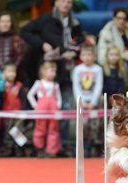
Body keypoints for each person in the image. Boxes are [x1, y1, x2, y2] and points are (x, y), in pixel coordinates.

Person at [20, 0, 85, 155]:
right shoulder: (45, 19)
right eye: (63, 1)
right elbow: (24, 31)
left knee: (65, 110)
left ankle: (58, 147)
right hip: (49, 70)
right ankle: (39, 147)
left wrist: (74, 53)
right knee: (43, 119)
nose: (66, 4)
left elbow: (81, 40)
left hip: (68, 72)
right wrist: (42, 44)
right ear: (56, 3)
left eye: (69, 1)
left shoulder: (75, 22)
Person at [72, 45, 103, 157]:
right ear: (80, 56)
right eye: (84, 55)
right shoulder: (77, 69)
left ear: (94, 56)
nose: (87, 57)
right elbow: (76, 86)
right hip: (82, 101)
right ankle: (80, 146)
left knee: (94, 125)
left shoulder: (98, 69)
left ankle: (92, 146)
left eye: (89, 55)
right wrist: (80, 102)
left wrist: (93, 102)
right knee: (82, 124)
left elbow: (99, 86)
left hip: (94, 102)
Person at [27, 62, 62, 158]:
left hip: (53, 109)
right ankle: (39, 148)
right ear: (43, 71)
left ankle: (52, 150)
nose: (54, 73)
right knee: (40, 128)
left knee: (53, 129)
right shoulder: (38, 83)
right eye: (51, 71)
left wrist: (58, 108)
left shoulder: (56, 85)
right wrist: (35, 105)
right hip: (41, 108)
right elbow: (30, 95)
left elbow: (58, 98)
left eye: (55, 71)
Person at [0, 63, 26, 157]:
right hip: (6, 114)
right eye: (9, 71)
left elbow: (23, 100)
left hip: (18, 114)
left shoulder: (19, 85)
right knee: (7, 133)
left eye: (14, 71)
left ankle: (19, 152)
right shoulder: (1, 87)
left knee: (18, 132)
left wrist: (24, 112)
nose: (12, 74)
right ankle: (7, 151)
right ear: (3, 73)